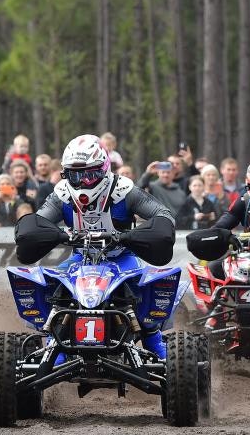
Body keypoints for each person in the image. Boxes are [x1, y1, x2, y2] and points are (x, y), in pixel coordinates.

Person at [22, 134, 176, 358]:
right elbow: (37, 223)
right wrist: (58, 235)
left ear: (103, 169)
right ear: (65, 173)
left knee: (144, 298)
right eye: (75, 175)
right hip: (80, 259)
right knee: (52, 291)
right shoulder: (62, 194)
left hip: (122, 257)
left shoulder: (124, 189)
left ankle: (160, 352)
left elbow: (164, 216)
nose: (83, 181)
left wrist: (129, 235)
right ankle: (53, 352)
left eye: (90, 174)